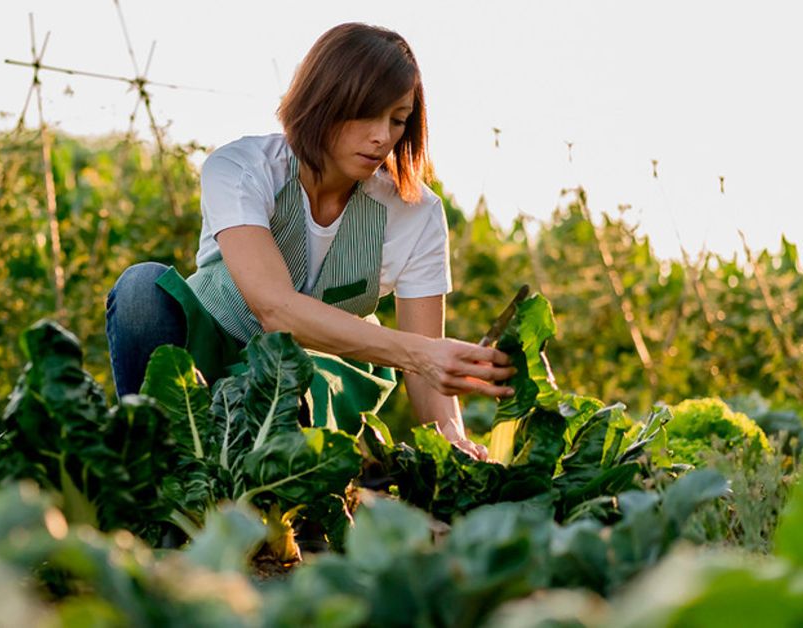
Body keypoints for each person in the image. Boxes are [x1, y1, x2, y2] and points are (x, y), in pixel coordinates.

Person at [105, 22, 514, 460]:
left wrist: (453, 439)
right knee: (139, 291)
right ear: (323, 102)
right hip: (214, 347)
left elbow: (427, 369)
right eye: (366, 115)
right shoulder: (243, 168)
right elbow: (275, 309)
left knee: (293, 374)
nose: (382, 137)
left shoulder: (417, 213)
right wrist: (422, 354)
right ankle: (151, 466)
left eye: (397, 120)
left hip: (315, 380)